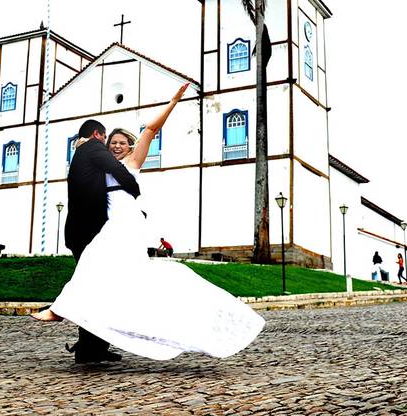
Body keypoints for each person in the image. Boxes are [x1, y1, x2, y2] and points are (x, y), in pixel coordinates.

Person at [32, 83, 265, 361]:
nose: (116, 146)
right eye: (112, 143)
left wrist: (174, 100)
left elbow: (151, 130)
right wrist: (83, 144)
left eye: (121, 143)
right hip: (110, 225)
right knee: (114, 277)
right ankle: (89, 337)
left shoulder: (132, 162)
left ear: (129, 146)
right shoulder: (99, 164)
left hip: (126, 223)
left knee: (92, 263)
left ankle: (60, 311)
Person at [33, 117, 141, 364]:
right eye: (106, 140)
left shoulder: (81, 152)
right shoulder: (92, 148)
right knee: (94, 287)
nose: (109, 146)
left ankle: (93, 345)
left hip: (84, 231)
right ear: (97, 135)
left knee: (97, 287)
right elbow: (116, 169)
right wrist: (134, 189)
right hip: (88, 232)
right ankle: (88, 347)